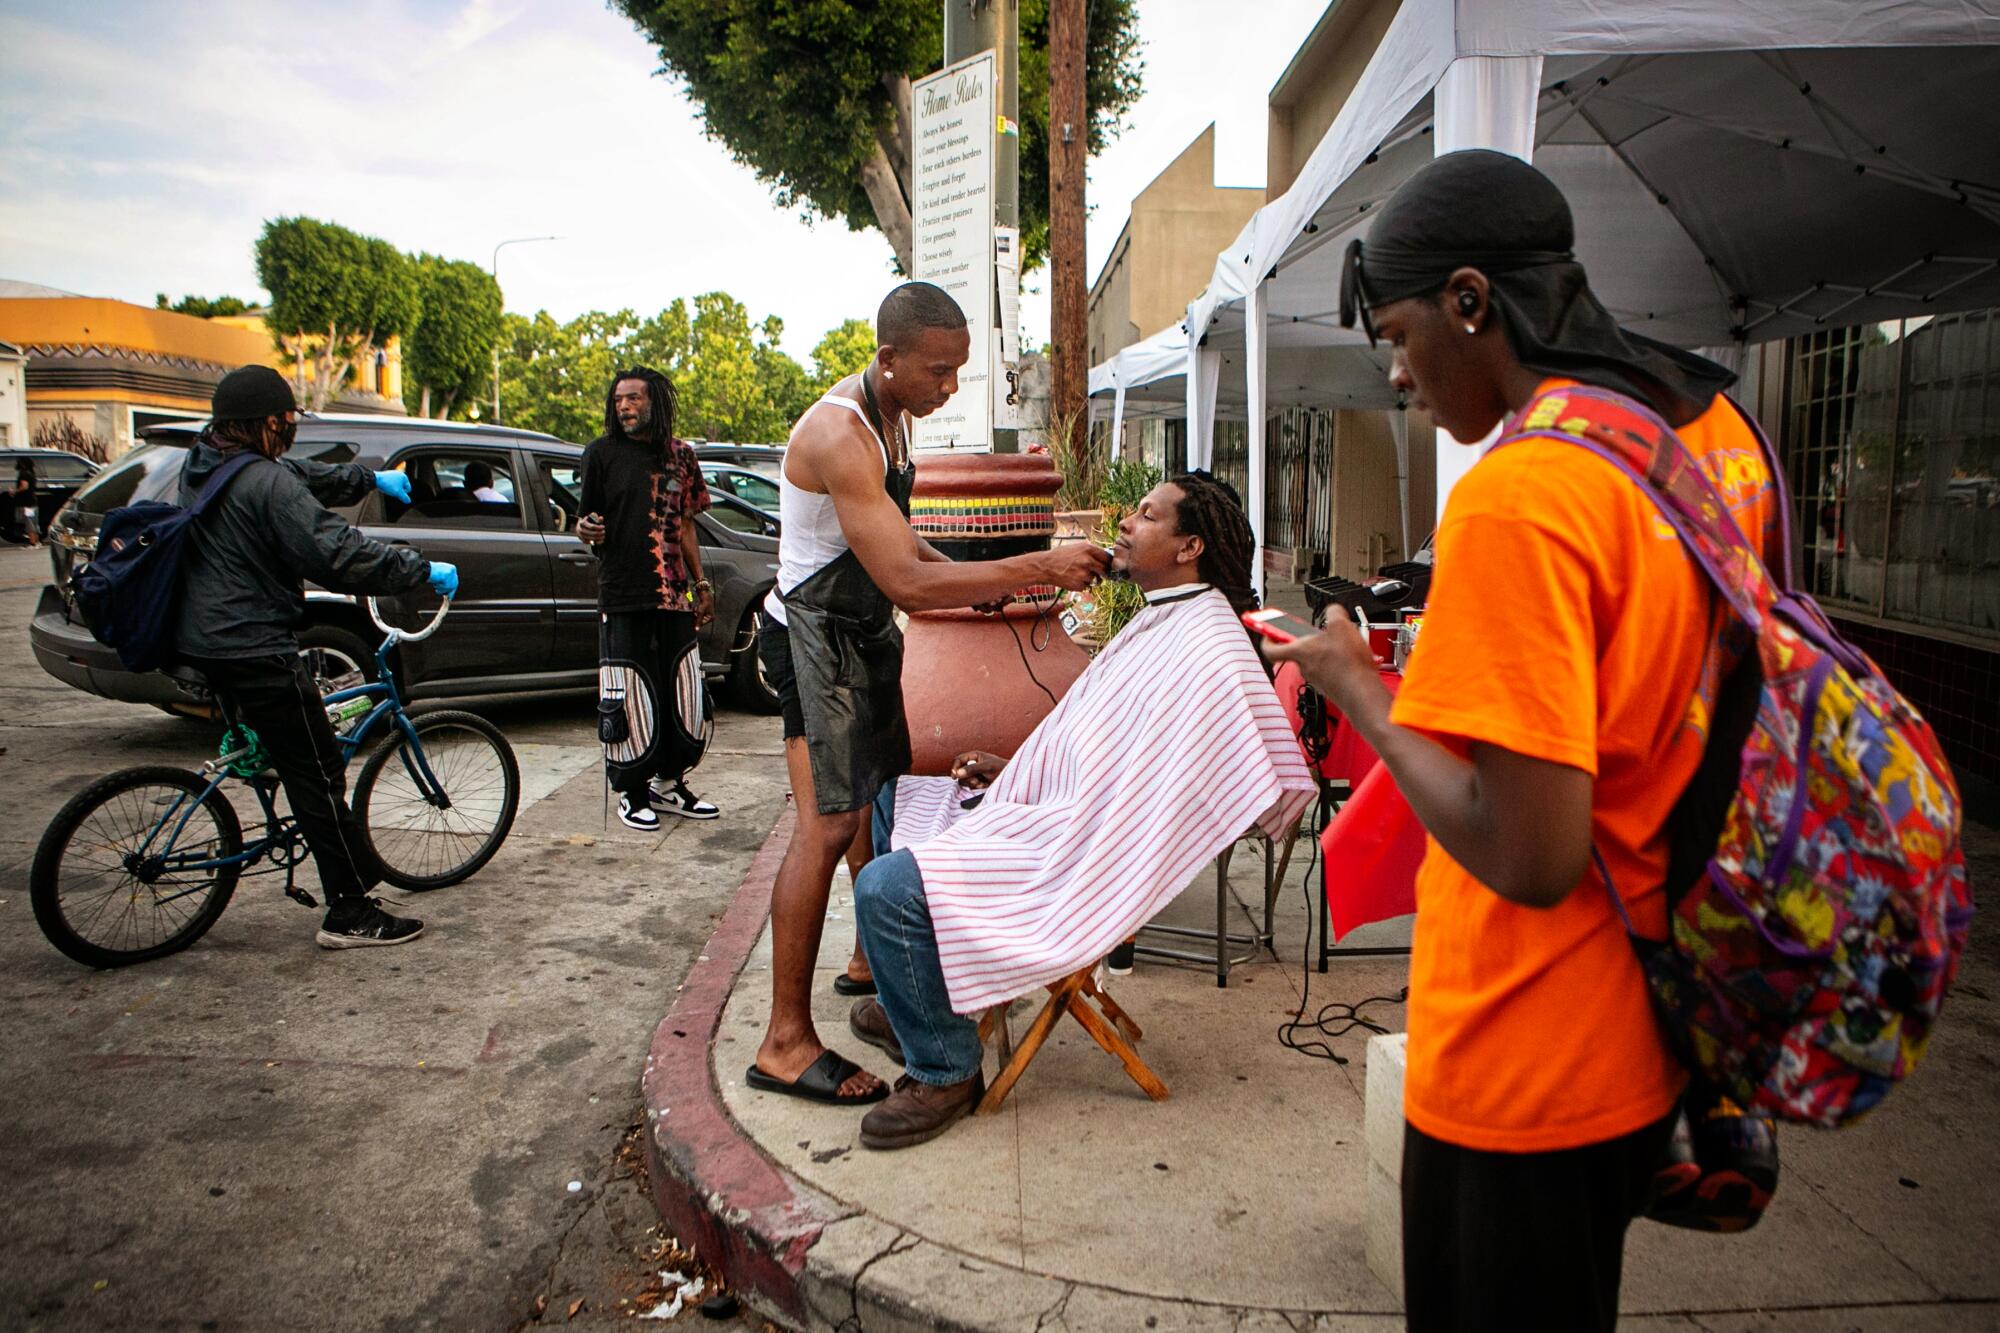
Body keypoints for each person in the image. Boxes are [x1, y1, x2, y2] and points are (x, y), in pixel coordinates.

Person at [1268, 150, 1777, 1333]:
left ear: (1469, 299)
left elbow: (1528, 853)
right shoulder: (1710, 438)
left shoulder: (1518, 493)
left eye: (1396, 336)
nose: (1397, 374)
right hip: (1651, 1034)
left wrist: (1359, 690)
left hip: (1519, 1055)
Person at [844, 473, 1316, 1147]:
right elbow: (1102, 747)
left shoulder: (1210, 648)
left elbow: (1157, 791)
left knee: (884, 887)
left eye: (1147, 516)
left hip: (1080, 856)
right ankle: (922, 1003)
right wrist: (1018, 775)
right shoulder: (1164, 613)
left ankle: (946, 1067)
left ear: (1189, 546)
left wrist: (1054, 810)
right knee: (899, 797)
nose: (1126, 522)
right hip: (1059, 811)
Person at [747, 280, 1110, 1106]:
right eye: (939, 372)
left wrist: (985, 586)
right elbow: (908, 583)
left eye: (958, 371)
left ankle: (873, 970)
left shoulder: (893, 418)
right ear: (889, 359)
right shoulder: (838, 433)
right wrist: (1036, 567)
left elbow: (901, 545)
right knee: (826, 824)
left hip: (861, 631)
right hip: (814, 636)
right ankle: (783, 1040)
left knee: (881, 798)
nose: (950, 388)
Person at [175, 365, 456, 949]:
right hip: (253, 644)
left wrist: (370, 480)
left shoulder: (208, 461)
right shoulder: (265, 484)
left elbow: (297, 475)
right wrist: (417, 570)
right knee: (320, 770)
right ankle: (350, 910)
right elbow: (335, 552)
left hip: (201, 639)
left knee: (280, 748)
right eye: (289, 421)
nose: (293, 431)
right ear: (270, 421)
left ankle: (272, 799)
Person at [576, 367, 720, 831]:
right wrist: (586, 530)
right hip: (623, 594)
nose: (625, 407)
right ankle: (632, 792)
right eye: (619, 400)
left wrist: (702, 585)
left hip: (675, 595)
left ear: (654, 403)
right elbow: (586, 523)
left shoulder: (682, 456)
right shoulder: (600, 454)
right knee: (629, 694)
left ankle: (669, 783)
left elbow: (688, 525)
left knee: (680, 692)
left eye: (634, 399)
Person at [12, 459, 41, 547]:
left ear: (23, 464)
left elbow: (24, 486)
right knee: (33, 522)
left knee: (29, 522)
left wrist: (14, 491)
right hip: (32, 501)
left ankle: (32, 543)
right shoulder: (31, 473)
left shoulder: (23, 473)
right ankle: (36, 542)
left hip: (26, 503)